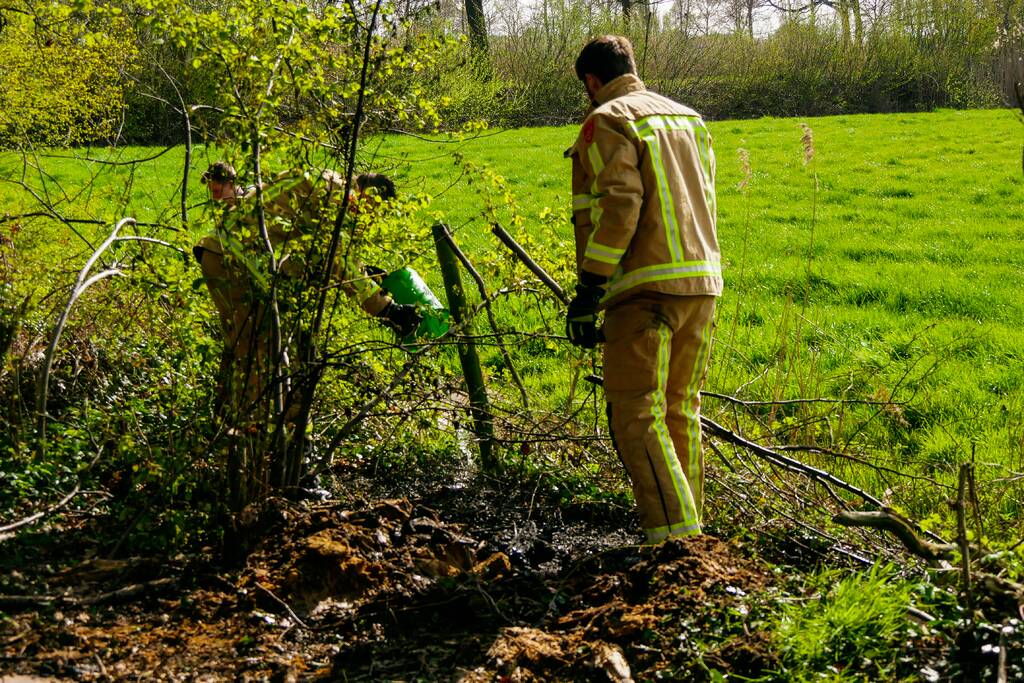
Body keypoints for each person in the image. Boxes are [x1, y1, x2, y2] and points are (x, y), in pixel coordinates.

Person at [564, 36, 723, 544]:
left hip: (642, 288)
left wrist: (589, 288)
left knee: (636, 412)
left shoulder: (607, 120)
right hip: (702, 283)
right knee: (681, 408)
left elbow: (620, 206)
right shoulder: (689, 119)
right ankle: (694, 541)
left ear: (592, 82)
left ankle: (674, 541)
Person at [193, 162, 421, 417]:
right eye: (373, 211)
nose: (368, 220)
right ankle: (257, 429)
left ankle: (224, 420)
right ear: (366, 195)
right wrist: (388, 309)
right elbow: (341, 261)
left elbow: (312, 245)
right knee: (263, 352)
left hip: (223, 252)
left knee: (241, 345)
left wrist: (364, 271)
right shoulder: (339, 198)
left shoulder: (324, 179)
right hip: (235, 261)